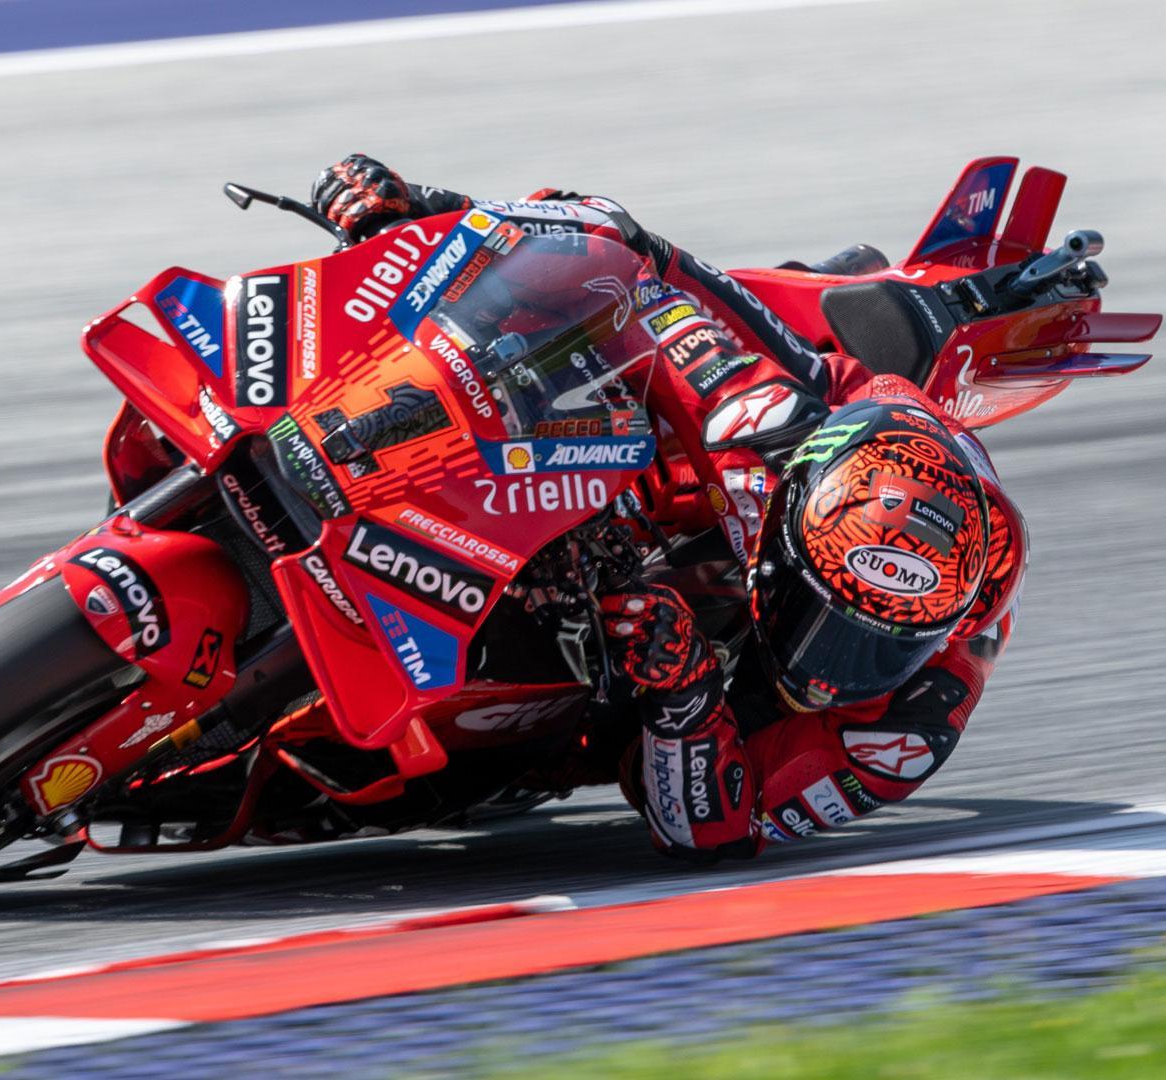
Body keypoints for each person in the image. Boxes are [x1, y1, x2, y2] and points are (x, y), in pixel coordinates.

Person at [310, 155, 1028, 862]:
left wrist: (684, 696)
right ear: (785, 533)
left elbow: (718, 832)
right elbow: (622, 249)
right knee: (580, 300)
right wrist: (419, 216)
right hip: (699, 451)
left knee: (519, 737)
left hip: (651, 683)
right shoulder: (765, 418)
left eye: (884, 647)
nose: (835, 669)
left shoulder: (905, 729)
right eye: (825, 624)